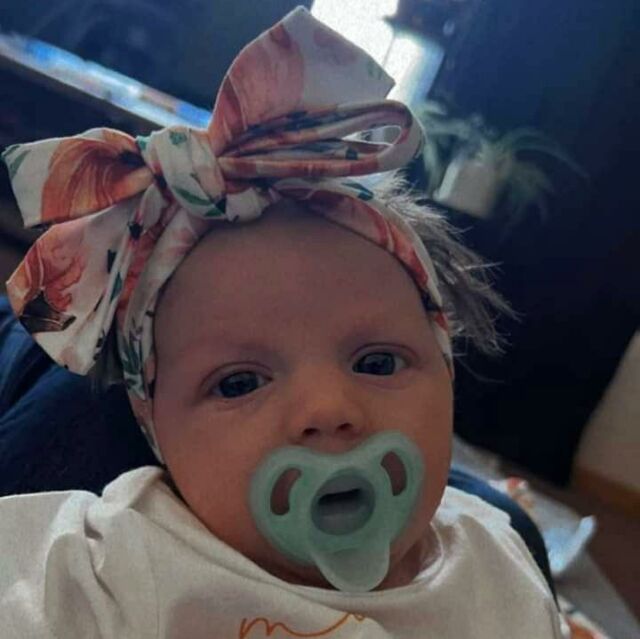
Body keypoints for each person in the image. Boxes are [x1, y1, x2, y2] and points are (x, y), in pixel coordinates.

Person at [0, 7, 566, 638]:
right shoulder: (110, 564)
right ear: (156, 436)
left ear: (446, 373)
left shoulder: (499, 566)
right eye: (239, 382)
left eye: (378, 362)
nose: (327, 409)